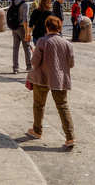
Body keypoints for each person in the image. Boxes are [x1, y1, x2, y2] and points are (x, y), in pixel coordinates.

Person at [25, 16, 75, 149]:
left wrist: (34, 52)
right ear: (59, 28)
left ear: (47, 27)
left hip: (42, 78)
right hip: (59, 79)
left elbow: (34, 62)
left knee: (39, 105)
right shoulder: (67, 44)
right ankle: (70, 137)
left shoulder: (42, 42)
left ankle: (37, 130)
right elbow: (71, 64)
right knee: (63, 106)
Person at [9, 0, 33, 74]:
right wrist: (27, 33)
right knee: (26, 48)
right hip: (22, 28)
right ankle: (29, 66)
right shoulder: (25, 4)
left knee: (15, 48)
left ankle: (15, 68)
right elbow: (25, 19)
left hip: (14, 27)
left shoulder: (14, 1)